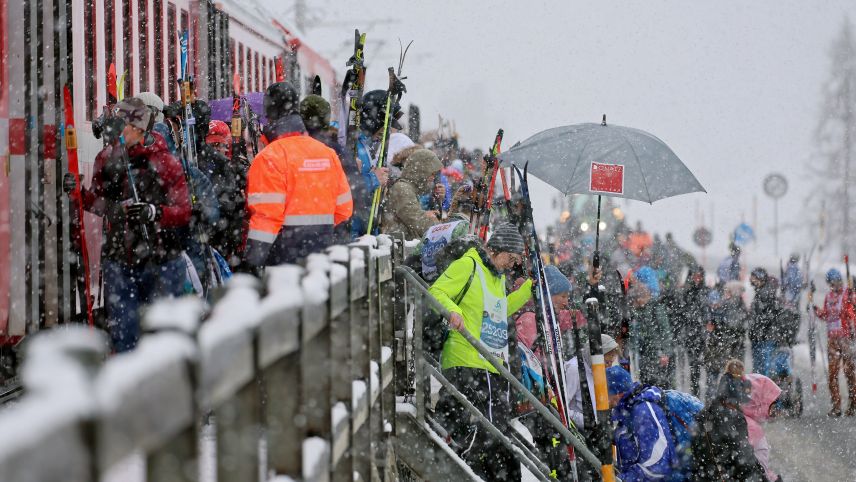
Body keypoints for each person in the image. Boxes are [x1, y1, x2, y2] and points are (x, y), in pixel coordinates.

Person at [65, 97, 191, 352]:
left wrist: (154, 213)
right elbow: (101, 205)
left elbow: (184, 211)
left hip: (162, 259)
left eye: (122, 125)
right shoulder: (107, 159)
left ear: (139, 128)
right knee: (125, 337)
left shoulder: (165, 161)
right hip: (121, 259)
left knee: (164, 339)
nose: (116, 131)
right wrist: (79, 194)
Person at [430, 223, 532, 481]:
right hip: (466, 361)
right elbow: (437, 291)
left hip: (490, 364)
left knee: (495, 435)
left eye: (516, 261)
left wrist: (529, 290)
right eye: (510, 258)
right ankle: (465, 472)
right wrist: (453, 310)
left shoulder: (496, 279)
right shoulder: (469, 264)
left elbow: (498, 313)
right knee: (480, 432)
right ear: (496, 250)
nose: (512, 265)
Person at [243, 82, 353, 270]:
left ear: (269, 113)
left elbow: (266, 219)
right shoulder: (327, 154)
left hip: (283, 264)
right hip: (321, 261)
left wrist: (252, 262)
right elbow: (344, 210)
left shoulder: (270, 157)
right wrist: (316, 233)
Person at [300, 94, 367, 243]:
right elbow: (355, 193)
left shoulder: (288, 149)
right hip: (332, 235)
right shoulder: (334, 151)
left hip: (294, 237)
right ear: (326, 119)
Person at [691, 359, 766, 481]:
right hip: (732, 422)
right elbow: (744, 399)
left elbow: (721, 396)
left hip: (722, 426)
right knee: (742, 455)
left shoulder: (729, 382)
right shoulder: (741, 383)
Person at [607, 365, 678, 481]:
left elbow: (657, 465)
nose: (600, 397)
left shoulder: (642, 411)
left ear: (618, 393)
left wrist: (624, 479)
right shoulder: (626, 411)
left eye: (605, 392)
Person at [813, 268, 856, 416]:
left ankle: (853, 404)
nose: (834, 285)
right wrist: (815, 310)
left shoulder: (848, 294)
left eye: (837, 282)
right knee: (832, 374)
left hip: (846, 339)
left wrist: (852, 303)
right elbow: (826, 314)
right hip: (832, 340)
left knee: (849, 372)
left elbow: (852, 313)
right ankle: (836, 406)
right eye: (831, 283)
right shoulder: (828, 296)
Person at [415, 186, 475, 282]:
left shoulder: (432, 229)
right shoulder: (467, 229)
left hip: (428, 289)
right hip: (451, 289)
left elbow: (414, 259)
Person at [381, 148, 443, 240]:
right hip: (398, 247)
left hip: (402, 244)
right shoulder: (402, 188)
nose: (433, 178)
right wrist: (442, 231)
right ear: (422, 171)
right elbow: (417, 221)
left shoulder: (408, 188)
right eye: (431, 174)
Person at [629, 267, 674, 387]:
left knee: (657, 386)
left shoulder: (655, 307)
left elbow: (665, 332)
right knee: (647, 385)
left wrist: (664, 353)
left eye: (639, 282)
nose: (637, 285)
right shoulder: (639, 307)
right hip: (644, 355)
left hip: (655, 356)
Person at [705, 280, 749, 399]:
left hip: (719, 347)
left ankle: (712, 403)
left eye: (727, 291)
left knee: (714, 376)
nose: (725, 293)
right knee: (732, 378)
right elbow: (741, 326)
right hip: (731, 348)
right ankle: (729, 404)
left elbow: (715, 323)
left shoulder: (725, 305)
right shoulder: (740, 307)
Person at [676, 265, 710, 397]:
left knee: (700, 367)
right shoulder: (685, 292)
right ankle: (692, 395)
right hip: (689, 334)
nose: (697, 278)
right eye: (695, 275)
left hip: (700, 335)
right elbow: (680, 313)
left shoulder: (705, 291)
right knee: (690, 367)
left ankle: (700, 395)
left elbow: (707, 311)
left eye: (700, 276)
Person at [742, 373, 783, 482]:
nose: (774, 410)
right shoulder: (753, 429)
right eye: (771, 404)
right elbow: (760, 469)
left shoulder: (738, 417)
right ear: (759, 402)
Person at [749, 268, 779, 376]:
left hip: (764, 337)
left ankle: (762, 390)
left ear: (760, 278)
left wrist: (757, 326)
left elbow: (767, 316)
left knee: (762, 368)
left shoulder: (765, 293)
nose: (751, 280)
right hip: (761, 336)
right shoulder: (761, 292)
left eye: (753, 278)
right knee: (760, 368)